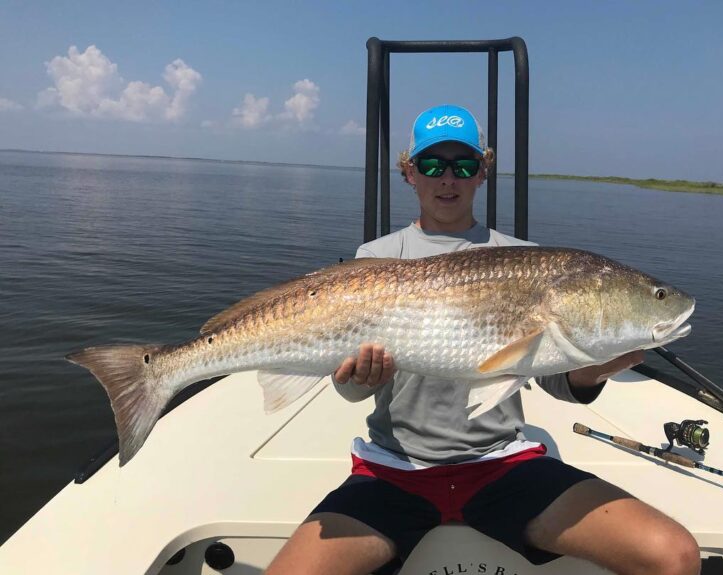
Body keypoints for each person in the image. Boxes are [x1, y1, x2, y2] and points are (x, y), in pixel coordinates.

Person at [265, 105, 700, 575]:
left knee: (673, 556)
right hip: (394, 469)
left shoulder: (525, 260)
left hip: (502, 465)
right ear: (409, 172)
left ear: (482, 172)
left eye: (463, 165)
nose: (447, 178)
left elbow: (554, 381)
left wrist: (589, 371)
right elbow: (350, 388)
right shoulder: (376, 259)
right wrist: (359, 379)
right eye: (432, 165)